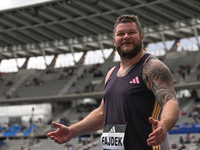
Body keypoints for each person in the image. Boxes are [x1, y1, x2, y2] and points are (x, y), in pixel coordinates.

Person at [47, 14, 179, 149]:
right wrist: (72, 131)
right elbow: (102, 113)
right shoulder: (111, 73)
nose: (126, 36)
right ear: (115, 41)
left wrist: (164, 124)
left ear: (141, 37)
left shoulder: (153, 67)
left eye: (131, 32)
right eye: (121, 34)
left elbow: (170, 101)